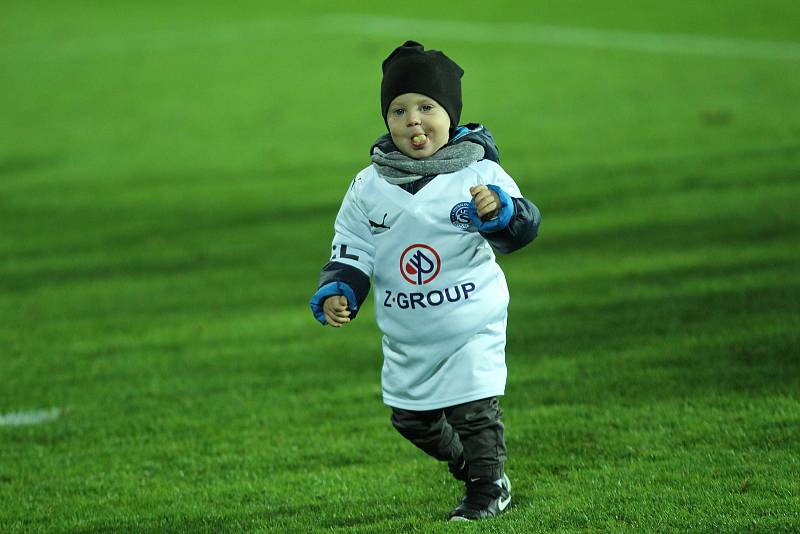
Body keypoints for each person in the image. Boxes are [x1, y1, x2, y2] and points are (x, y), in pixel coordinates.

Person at [309, 40, 541, 522]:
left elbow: (522, 230)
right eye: (399, 110)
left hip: (469, 317)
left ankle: (487, 486)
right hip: (408, 331)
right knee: (411, 419)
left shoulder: (478, 173)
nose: (413, 120)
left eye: (426, 107)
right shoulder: (368, 185)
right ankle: (470, 466)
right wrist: (340, 288)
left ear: (450, 116)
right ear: (386, 119)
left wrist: (499, 213)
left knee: (474, 411)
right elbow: (351, 244)